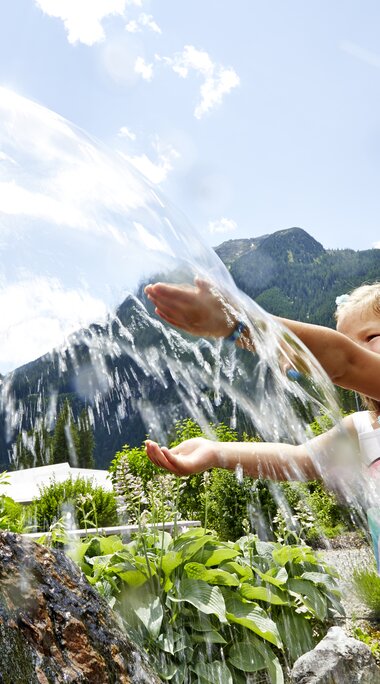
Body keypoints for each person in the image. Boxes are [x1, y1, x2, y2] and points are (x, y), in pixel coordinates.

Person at [144, 281, 380, 482]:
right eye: (348, 340)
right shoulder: (361, 428)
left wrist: (237, 324)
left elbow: (346, 359)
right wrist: (216, 452)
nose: (359, 350)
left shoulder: (348, 366)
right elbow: (300, 461)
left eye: (371, 337)